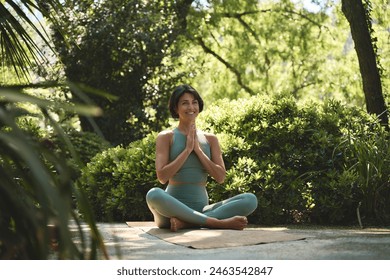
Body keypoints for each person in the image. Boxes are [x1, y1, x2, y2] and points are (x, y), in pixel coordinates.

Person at [146, 84, 258, 232]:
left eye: (194, 102)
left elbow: (220, 177)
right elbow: (162, 176)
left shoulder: (210, 139)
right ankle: (213, 222)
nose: (191, 107)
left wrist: (198, 150)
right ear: (175, 108)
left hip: (202, 208)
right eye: (184, 103)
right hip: (171, 209)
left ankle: (188, 223)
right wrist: (187, 150)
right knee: (153, 194)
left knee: (250, 200)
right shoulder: (166, 137)